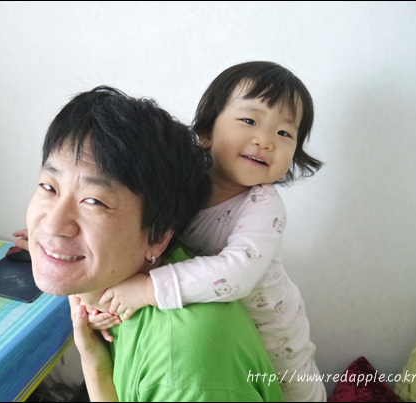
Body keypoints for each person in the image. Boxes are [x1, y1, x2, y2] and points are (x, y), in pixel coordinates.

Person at [21, 85, 283, 401]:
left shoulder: (184, 369)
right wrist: (92, 360)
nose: (52, 225)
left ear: (158, 237)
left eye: (94, 201)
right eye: (49, 187)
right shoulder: (107, 283)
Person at [91, 62, 327, 402]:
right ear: (206, 132)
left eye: (284, 133)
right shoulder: (183, 186)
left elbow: (237, 273)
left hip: (279, 349)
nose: (265, 141)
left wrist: (147, 288)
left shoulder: (263, 206)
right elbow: (131, 214)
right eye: (250, 121)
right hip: (223, 337)